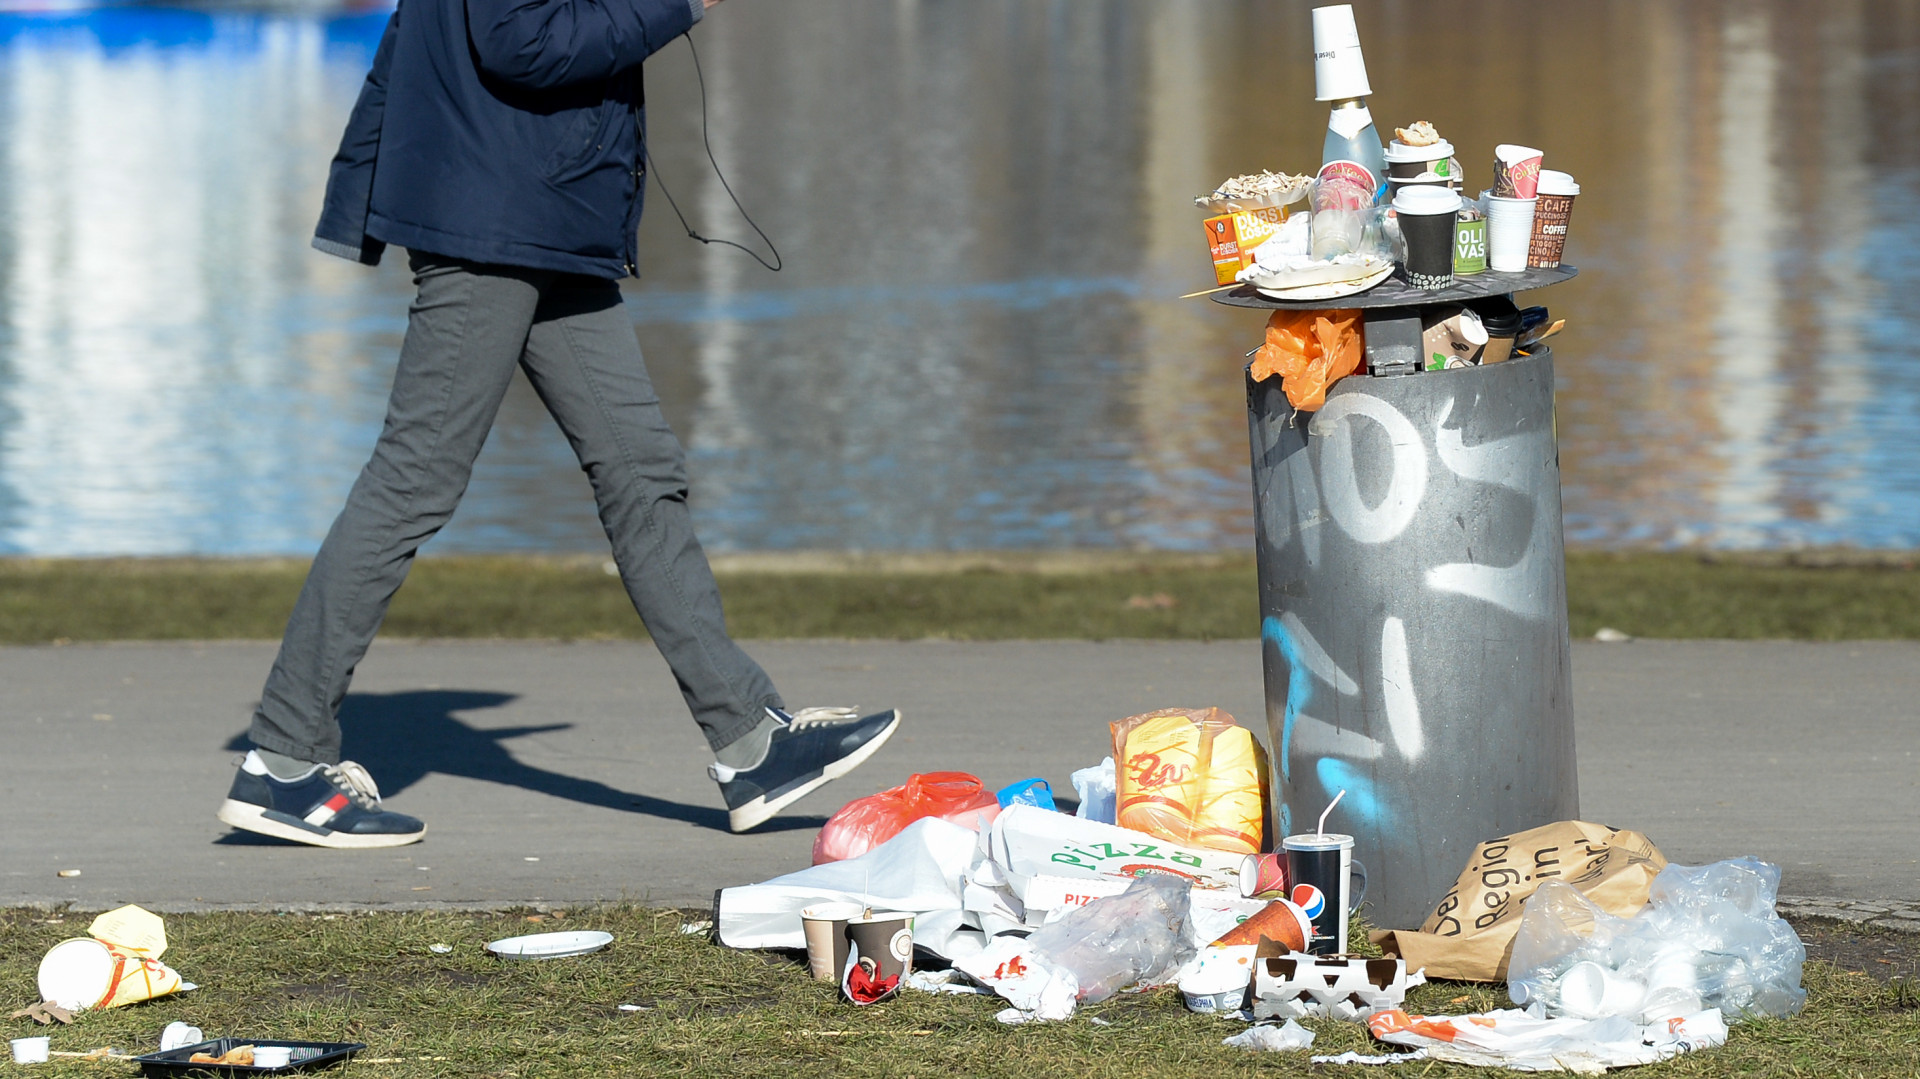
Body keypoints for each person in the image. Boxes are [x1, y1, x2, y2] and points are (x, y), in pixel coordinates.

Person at [214, 0, 898, 848]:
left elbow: (409, 45)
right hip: (494, 223)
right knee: (414, 477)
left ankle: (749, 740)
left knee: (641, 469)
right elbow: (522, 45)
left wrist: (360, 185)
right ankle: (282, 758)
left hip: (545, 219)